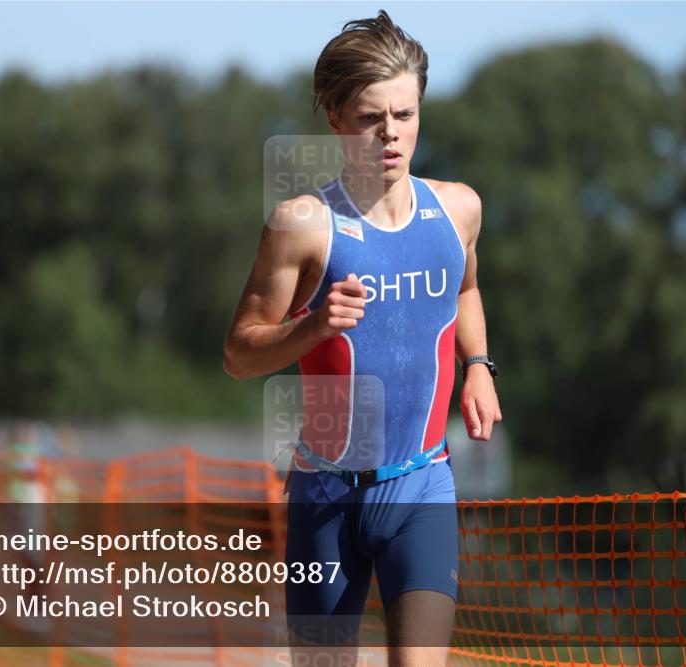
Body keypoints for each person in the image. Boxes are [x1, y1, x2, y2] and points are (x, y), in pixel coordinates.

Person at [223, 10, 502, 666]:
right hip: (326, 498)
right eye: (370, 118)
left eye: (404, 115)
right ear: (334, 119)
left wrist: (480, 365)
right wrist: (314, 323)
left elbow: (464, 290)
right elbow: (239, 352)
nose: (390, 135)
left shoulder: (458, 209)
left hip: (421, 485)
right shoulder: (301, 226)